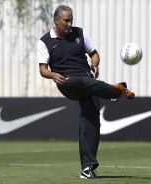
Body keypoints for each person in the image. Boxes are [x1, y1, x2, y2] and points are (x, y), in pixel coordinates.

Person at [37, 5, 135, 179]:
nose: (70, 24)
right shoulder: (45, 41)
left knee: (90, 122)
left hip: (87, 80)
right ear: (56, 20)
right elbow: (43, 69)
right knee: (85, 81)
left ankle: (87, 168)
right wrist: (52, 75)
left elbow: (94, 53)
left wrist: (95, 64)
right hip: (67, 82)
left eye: (71, 20)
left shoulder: (79, 33)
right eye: (66, 20)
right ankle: (115, 91)